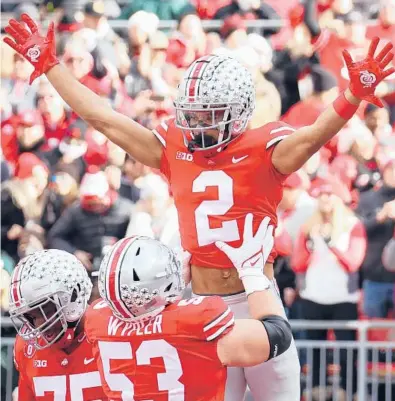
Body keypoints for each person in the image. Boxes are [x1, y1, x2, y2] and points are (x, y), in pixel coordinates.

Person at [3, 14, 394, 401]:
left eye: (206, 115)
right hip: (200, 302)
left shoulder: (265, 149)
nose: (193, 123)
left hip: (256, 297)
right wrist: (51, 67)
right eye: (190, 112)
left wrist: (351, 97)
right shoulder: (174, 147)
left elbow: (310, 140)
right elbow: (103, 118)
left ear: (238, 112)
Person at [85, 215, 292, 400]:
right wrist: (252, 273)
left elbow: (143, 321)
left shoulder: (97, 320)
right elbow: (277, 334)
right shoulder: (195, 320)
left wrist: (169, 290)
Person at [8, 249, 106, 401]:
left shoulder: (107, 332)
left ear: (73, 295)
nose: (39, 325)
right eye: (31, 316)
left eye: (45, 311)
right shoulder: (26, 347)